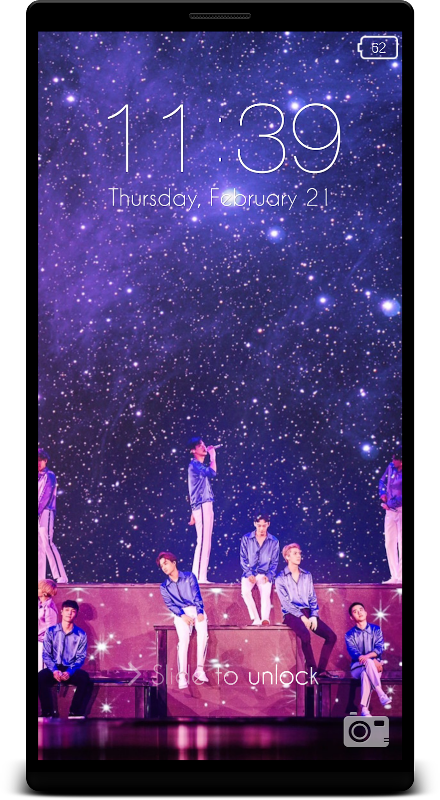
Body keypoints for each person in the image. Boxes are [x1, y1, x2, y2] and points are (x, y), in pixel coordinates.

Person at [275, 543, 337, 679]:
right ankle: (312, 671)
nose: (298, 556)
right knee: (305, 635)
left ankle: (321, 671)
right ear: (287, 557)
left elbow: (312, 597)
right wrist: (301, 617)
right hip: (291, 614)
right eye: (295, 553)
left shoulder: (307, 575)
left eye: (299, 553)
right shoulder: (280, 578)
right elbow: (286, 603)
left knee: (331, 636)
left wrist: (314, 615)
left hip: (308, 612)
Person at [157, 551, 209, 690]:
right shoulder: (164, 587)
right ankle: (182, 676)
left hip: (195, 609)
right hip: (180, 614)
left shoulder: (189, 576)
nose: (164, 567)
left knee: (203, 634)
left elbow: (197, 595)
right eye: (162, 566)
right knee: (183, 641)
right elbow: (170, 605)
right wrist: (182, 615)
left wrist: (199, 612)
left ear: (174, 562)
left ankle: (200, 669)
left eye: (166, 563)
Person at [38, 599, 92, 719]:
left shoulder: (81, 634)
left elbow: (81, 657)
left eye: (73, 611)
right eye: (67, 610)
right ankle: (47, 713)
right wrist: (54, 670)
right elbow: (46, 654)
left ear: (76, 614)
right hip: (54, 667)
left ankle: (75, 713)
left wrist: (69, 672)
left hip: (70, 668)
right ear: (61, 612)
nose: (69, 613)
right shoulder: (51, 631)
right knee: (40, 677)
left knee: (84, 678)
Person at [345, 601, 392, 717]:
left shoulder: (376, 629)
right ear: (351, 617)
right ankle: (380, 692)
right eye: (355, 611)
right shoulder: (349, 635)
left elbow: (379, 648)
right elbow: (354, 653)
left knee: (365, 675)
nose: (359, 612)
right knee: (367, 665)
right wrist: (371, 659)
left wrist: (368, 657)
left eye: (361, 610)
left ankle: (364, 710)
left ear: (366, 612)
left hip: (374, 667)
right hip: (357, 667)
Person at [240, 513, 280, 625]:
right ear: (255, 524)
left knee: (266, 593)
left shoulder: (274, 541)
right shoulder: (247, 538)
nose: (261, 528)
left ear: (268, 524)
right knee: (245, 592)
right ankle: (256, 618)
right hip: (249, 572)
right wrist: (248, 573)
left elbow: (275, 561)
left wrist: (270, 575)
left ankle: (265, 619)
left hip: (265, 573)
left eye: (264, 526)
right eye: (259, 525)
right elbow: (243, 558)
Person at [187, 437, 217, 584]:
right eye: (200, 446)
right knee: (203, 541)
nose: (204, 447)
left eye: (204, 444)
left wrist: (193, 511)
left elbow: (194, 489)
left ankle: (201, 577)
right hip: (202, 505)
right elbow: (212, 472)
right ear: (193, 450)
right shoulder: (195, 465)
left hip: (204, 504)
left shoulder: (196, 466)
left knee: (206, 541)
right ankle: (198, 578)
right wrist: (213, 457)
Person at [38, 448, 68, 584]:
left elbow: (46, 495)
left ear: (45, 461)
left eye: (40, 460)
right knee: (39, 547)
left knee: (48, 543)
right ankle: (40, 579)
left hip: (46, 511)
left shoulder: (49, 475)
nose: (38, 463)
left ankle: (61, 576)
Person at [379, 446, 402, 584]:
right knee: (389, 542)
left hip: (400, 510)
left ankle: (401, 576)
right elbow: (382, 481)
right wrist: (382, 493)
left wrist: (390, 503)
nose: (393, 461)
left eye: (395, 459)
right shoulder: (390, 467)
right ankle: (394, 576)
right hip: (390, 511)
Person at [38, 579, 58, 672]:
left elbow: (51, 629)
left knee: (41, 670)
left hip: (43, 643)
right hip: (39, 641)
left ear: (44, 592)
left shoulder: (49, 608)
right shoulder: (40, 605)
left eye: (39, 588)